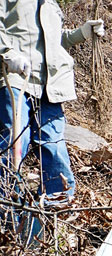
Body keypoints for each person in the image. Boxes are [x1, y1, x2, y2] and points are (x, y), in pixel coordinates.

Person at [0, 2, 104, 203]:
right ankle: (6, 213)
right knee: (15, 144)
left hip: (50, 87)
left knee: (54, 149)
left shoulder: (51, 4)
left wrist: (82, 33)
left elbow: (53, 42)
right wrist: (7, 53)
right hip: (15, 79)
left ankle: (57, 213)